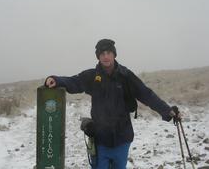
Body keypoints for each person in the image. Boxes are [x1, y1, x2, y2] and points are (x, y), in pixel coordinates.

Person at [45, 39, 181, 169]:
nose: (105, 56)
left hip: (122, 137)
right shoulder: (92, 76)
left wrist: (167, 111)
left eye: (108, 53)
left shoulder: (126, 76)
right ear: (98, 57)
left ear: (114, 54)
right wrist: (56, 80)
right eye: (102, 54)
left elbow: (146, 94)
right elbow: (74, 82)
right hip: (100, 138)